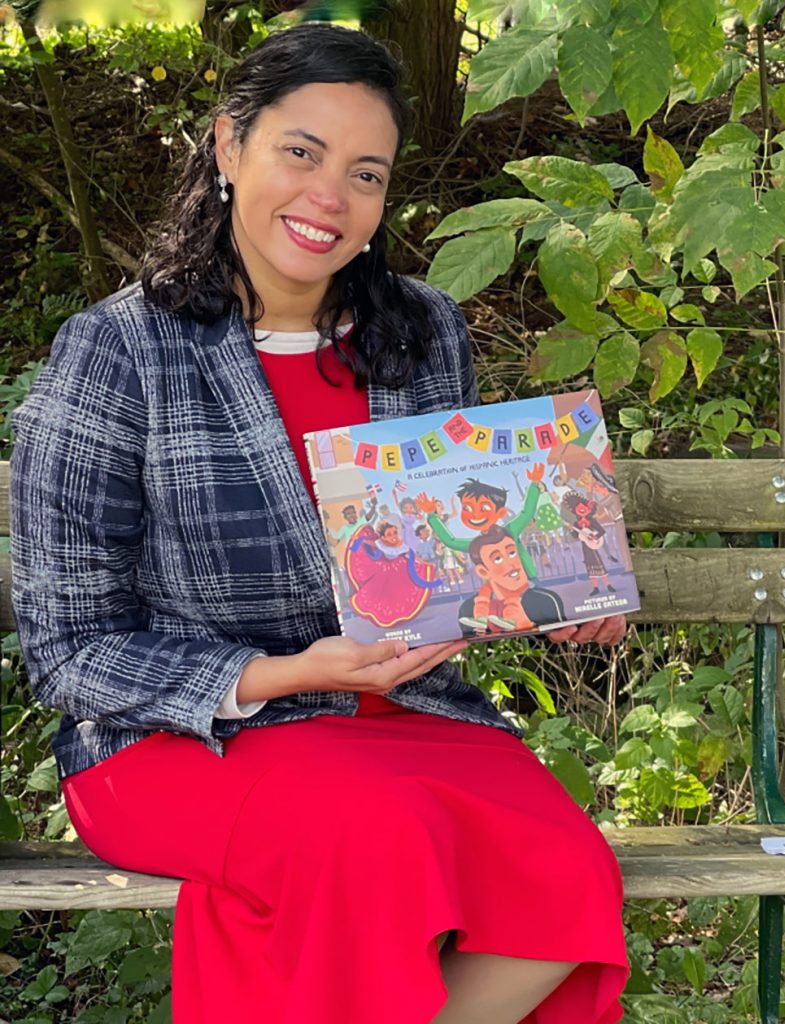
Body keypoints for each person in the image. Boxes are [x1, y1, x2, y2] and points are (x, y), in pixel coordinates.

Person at [8, 23, 628, 1024]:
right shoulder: (118, 351)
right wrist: (293, 674)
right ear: (227, 147)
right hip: (177, 738)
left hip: (399, 718)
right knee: (368, 838)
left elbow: (451, 561)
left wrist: (548, 595)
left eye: (366, 173)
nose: (328, 197)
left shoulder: (422, 330)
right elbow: (69, 651)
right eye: (300, 152)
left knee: (565, 871)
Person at [458, 526, 566, 636]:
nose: (511, 564)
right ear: (483, 572)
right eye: (497, 559)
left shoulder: (544, 600)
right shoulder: (468, 609)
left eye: (512, 553)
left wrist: (528, 627)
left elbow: (562, 641)